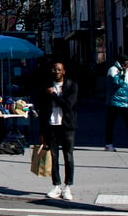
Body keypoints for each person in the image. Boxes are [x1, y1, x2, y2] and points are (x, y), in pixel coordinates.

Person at [39, 61, 78, 201]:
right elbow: (42, 110)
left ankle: (68, 186)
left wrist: (54, 95)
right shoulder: (46, 87)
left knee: (68, 156)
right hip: (51, 125)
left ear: (64, 72)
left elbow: (68, 105)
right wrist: (42, 131)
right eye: (54, 69)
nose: (56, 72)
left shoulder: (72, 86)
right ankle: (56, 185)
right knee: (53, 157)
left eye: (59, 70)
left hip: (67, 126)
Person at [104, 53, 128, 151]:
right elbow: (117, 83)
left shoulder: (127, 70)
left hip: (126, 102)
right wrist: (123, 73)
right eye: (126, 63)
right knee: (110, 124)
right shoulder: (113, 70)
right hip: (114, 102)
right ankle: (108, 144)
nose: (127, 65)